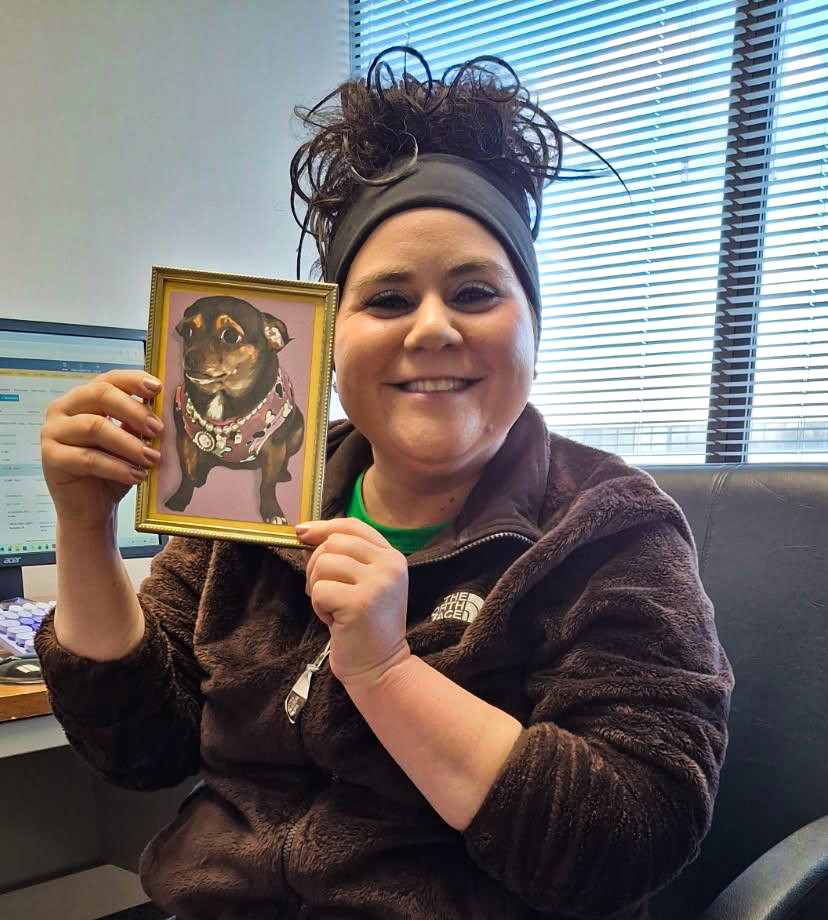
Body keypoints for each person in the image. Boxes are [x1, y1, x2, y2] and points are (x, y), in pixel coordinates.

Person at [37, 48, 733, 920]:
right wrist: (84, 528)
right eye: (389, 300)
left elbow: (634, 836)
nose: (434, 329)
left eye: (476, 292)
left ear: (533, 329)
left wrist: (387, 671)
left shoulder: (609, 530)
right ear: (330, 342)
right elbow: (141, 749)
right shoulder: (255, 490)